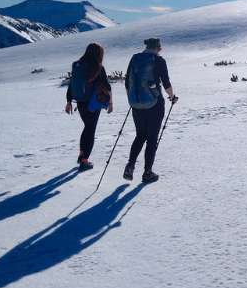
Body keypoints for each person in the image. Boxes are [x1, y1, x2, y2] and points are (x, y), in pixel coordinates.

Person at [123, 38, 177, 184]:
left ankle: (130, 165)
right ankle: (147, 172)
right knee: (152, 138)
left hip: (136, 104)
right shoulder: (159, 61)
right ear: (157, 48)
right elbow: (165, 82)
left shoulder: (135, 58)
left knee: (140, 135)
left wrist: (133, 98)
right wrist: (172, 96)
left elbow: (128, 81)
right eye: (160, 48)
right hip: (154, 104)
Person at [65, 43, 113, 171]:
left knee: (87, 127)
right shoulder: (98, 67)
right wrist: (110, 103)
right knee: (90, 130)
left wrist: (69, 101)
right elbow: (107, 86)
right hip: (93, 103)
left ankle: (82, 154)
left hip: (80, 102)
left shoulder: (77, 65)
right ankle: (84, 160)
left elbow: (71, 84)